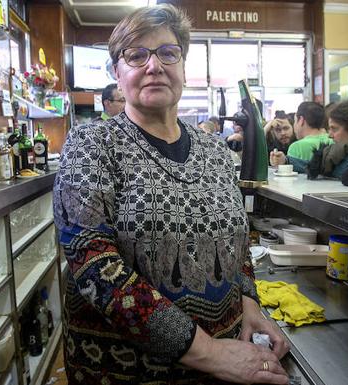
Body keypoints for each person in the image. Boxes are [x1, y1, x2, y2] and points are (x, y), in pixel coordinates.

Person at [53, 4, 289, 385]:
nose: (154, 65)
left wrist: (249, 302)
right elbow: (95, 267)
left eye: (167, 52)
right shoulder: (91, 144)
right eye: (136, 55)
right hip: (126, 371)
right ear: (117, 72)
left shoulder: (213, 150)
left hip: (228, 362)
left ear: (182, 65)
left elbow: (238, 241)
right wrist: (211, 354)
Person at [269, 101, 333, 167]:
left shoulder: (297, 147)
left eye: (295, 121)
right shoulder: (333, 141)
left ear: (301, 120)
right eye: (278, 130)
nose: (283, 133)